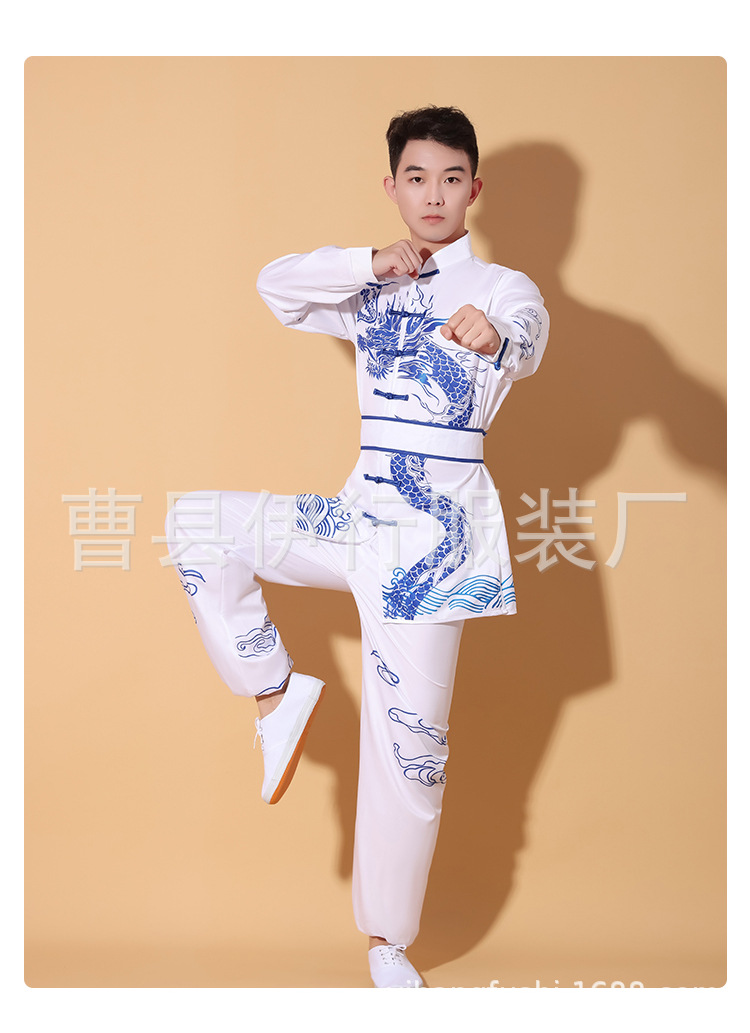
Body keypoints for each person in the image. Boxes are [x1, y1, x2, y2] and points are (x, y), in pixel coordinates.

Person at [165, 105, 549, 988]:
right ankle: (274, 688)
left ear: (474, 189)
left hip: (435, 548)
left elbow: (529, 340)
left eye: (450, 178)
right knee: (196, 522)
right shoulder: (373, 285)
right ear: (392, 187)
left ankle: (387, 942)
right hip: (356, 516)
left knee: (411, 749)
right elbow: (275, 287)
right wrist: (365, 262)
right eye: (416, 178)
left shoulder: (502, 287)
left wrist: (498, 337)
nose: (433, 195)